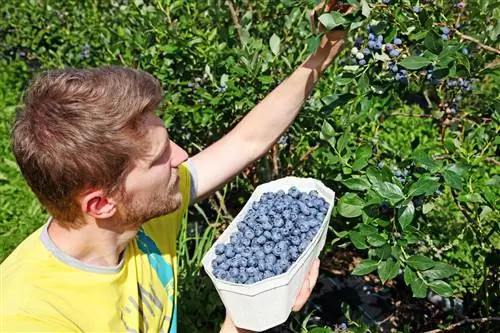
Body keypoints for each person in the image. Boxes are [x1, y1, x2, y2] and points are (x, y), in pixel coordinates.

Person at [0, 3, 350, 332]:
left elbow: (247, 142)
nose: (182, 156)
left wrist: (323, 53)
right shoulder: (33, 316)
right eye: (159, 158)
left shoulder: (141, 212)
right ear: (100, 203)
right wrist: (245, 323)